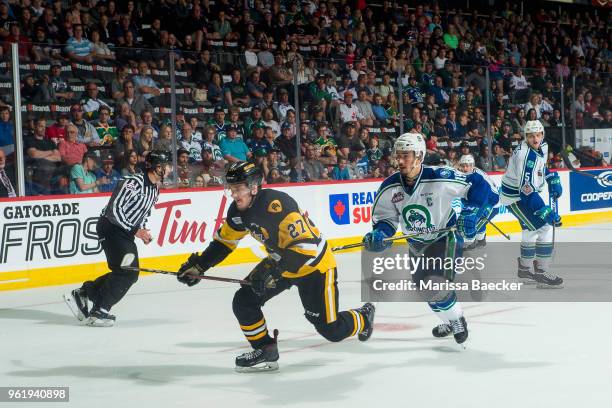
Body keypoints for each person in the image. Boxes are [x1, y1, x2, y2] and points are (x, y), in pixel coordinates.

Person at [176, 162, 375, 372]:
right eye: (231, 189)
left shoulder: (277, 205)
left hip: (313, 267)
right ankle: (265, 348)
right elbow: (225, 242)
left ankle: (363, 317)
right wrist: (199, 266)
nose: (234, 194)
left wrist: (270, 271)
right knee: (244, 301)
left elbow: (306, 249)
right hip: (282, 262)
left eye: (238, 188)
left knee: (331, 330)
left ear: (254, 187)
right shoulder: (237, 211)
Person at [363, 133, 497, 345]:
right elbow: (387, 219)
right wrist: (380, 233)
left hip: (446, 236)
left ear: (419, 156)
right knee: (426, 291)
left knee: (436, 285)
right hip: (416, 245)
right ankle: (450, 320)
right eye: (398, 156)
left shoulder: (440, 176)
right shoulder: (390, 186)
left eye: (405, 155)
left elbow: (478, 183)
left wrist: (471, 211)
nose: (399, 161)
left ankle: (457, 320)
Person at [64, 150, 171, 326]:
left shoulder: (155, 189)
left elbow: (144, 212)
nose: (168, 169)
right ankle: (99, 310)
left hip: (125, 231)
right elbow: (115, 209)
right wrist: (136, 230)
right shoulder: (133, 182)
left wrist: (142, 229)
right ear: (157, 167)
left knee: (127, 273)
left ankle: (85, 294)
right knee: (128, 273)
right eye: (166, 165)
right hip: (111, 227)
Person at [500, 120, 563, 288]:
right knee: (543, 227)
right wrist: (545, 211)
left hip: (522, 195)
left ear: (542, 135)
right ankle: (542, 272)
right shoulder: (524, 157)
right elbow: (526, 193)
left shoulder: (542, 147)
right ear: (525, 137)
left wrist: (551, 177)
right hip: (515, 198)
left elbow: (541, 167)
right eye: (530, 136)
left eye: (538, 135)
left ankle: (525, 269)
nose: (535, 139)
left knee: (530, 228)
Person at [458, 154, 500, 250]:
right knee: (479, 221)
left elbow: (479, 200)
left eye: (467, 165)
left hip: (492, 203)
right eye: (463, 165)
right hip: (486, 199)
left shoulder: (478, 179)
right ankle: (481, 241)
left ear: (472, 165)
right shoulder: (472, 173)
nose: (465, 168)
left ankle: (472, 242)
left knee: (473, 221)